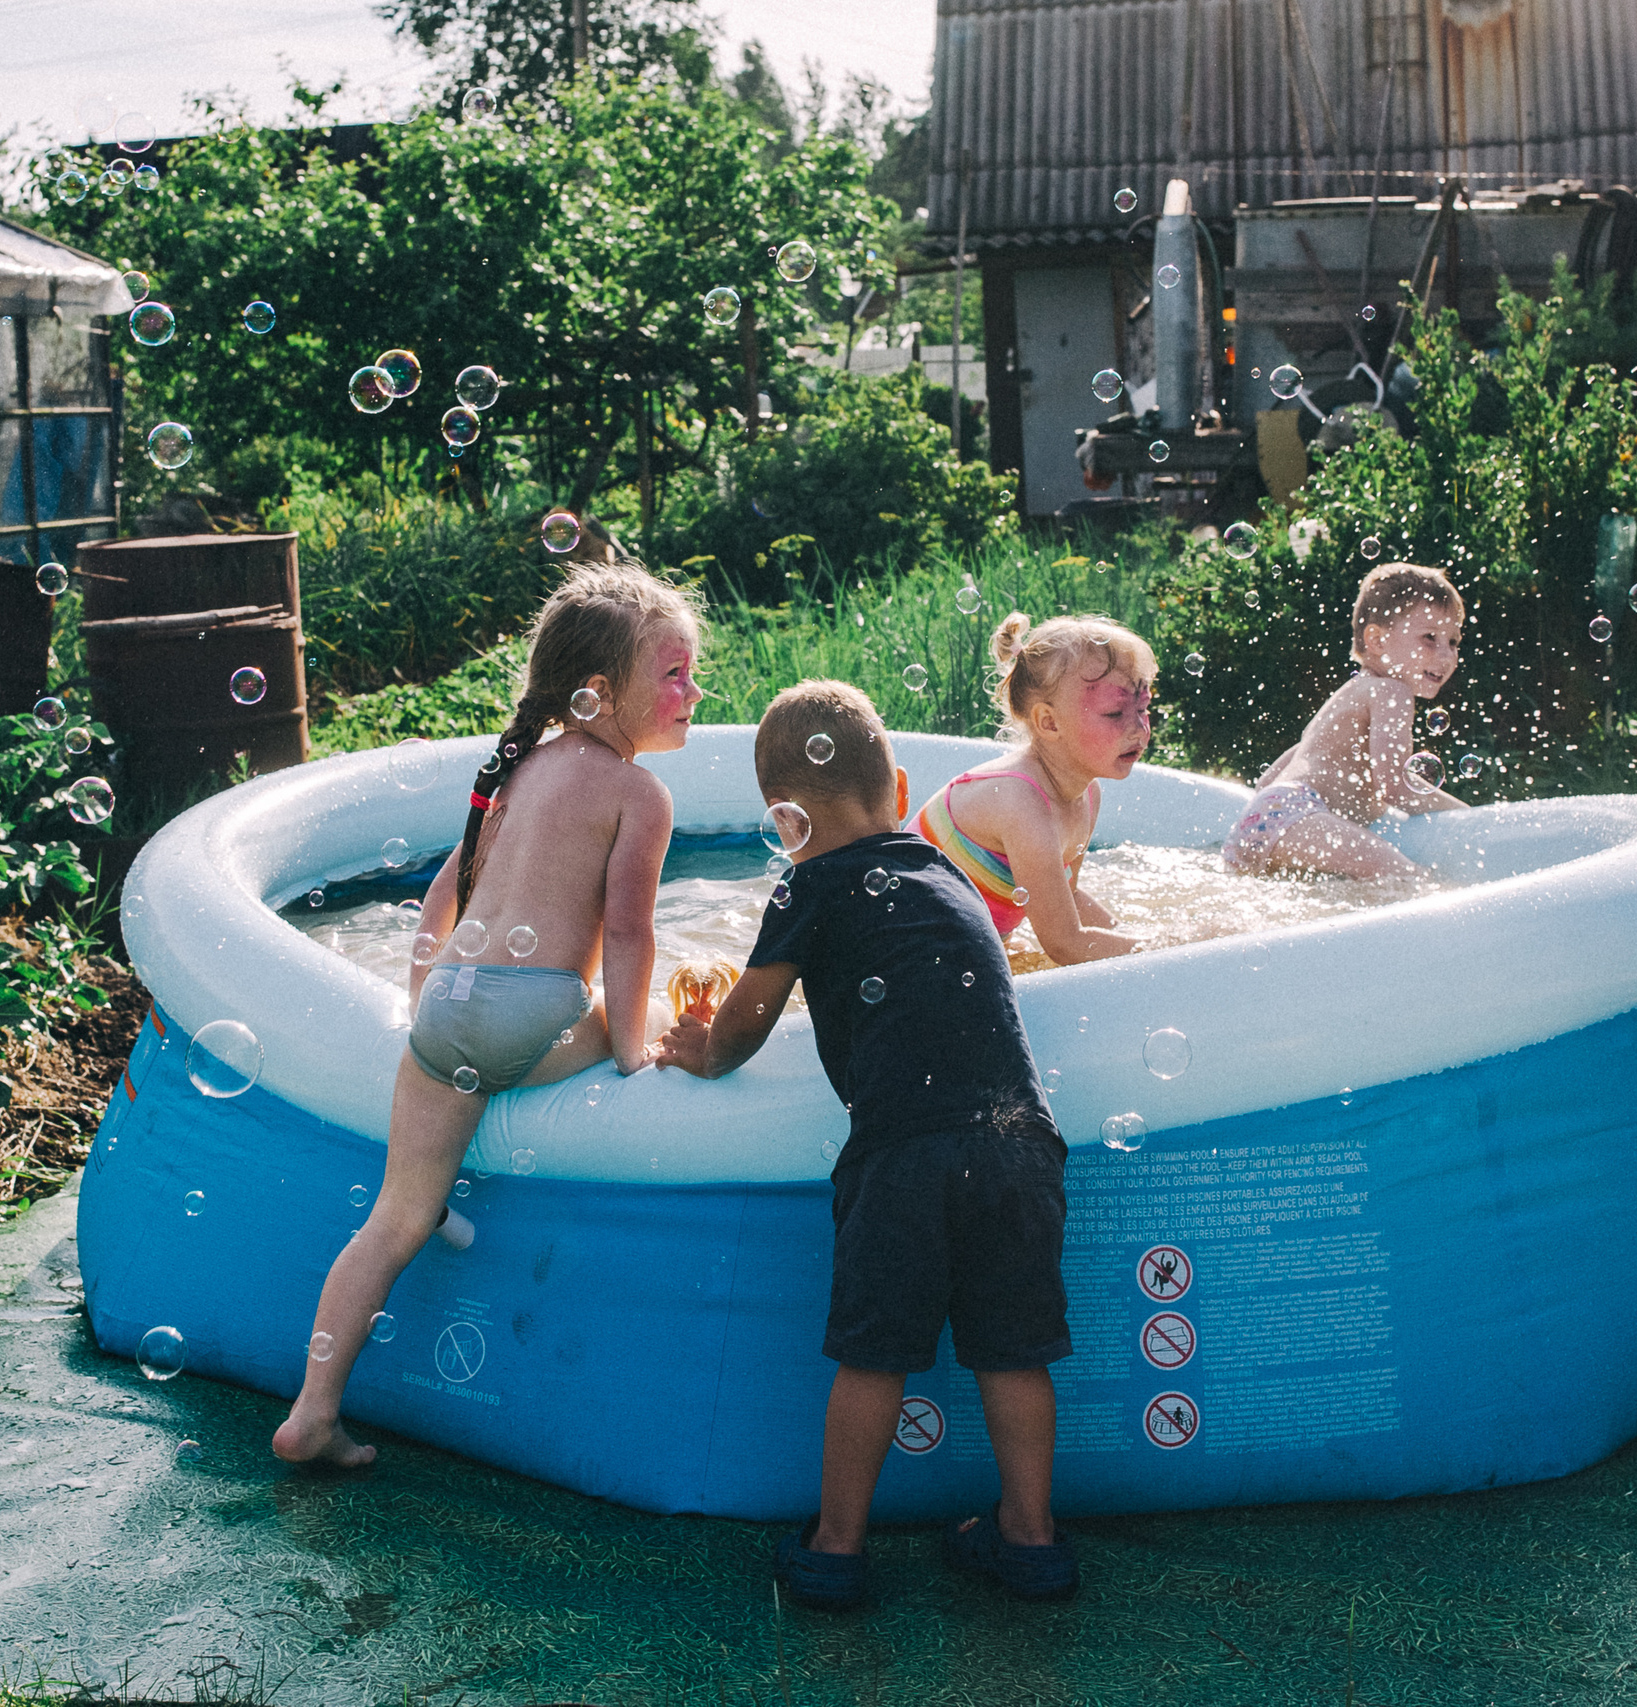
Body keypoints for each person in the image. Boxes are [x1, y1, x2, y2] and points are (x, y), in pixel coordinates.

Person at [657, 680, 1077, 1609]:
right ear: (896, 787)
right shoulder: (945, 873)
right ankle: (1033, 1537)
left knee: (874, 1358)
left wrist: (693, 1042)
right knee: (1015, 1352)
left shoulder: (807, 885)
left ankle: (837, 1546)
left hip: (905, 1157)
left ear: (784, 822)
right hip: (1019, 1146)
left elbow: (737, 1036)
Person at [273, 562, 702, 1469]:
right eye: (671, 673)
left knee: (394, 1216)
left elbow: (444, 895)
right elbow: (629, 935)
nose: (692, 690)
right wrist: (630, 1051)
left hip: (448, 1016)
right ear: (598, 692)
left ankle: (312, 1410)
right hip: (536, 1013)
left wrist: (426, 985)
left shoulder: (524, 770)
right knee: (650, 1015)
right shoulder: (640, 793)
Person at [914, 613, 1155, 964]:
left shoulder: (1087, 793)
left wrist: (1135, 937)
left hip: (953, 951)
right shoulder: (1018, 801)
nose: (1139, 729)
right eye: (1115, 713)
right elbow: (1065, 943)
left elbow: (1066, 897)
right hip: (906, 950)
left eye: (1144, 708)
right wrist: (1159, 948)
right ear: (1049, 722)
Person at [1222, 561, 1467, 882]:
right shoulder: (1391, 691)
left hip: (1260, 820)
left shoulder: (1346, 698)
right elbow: (1394, 786)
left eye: (1454, 641)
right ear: (1377, 641)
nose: (1446, 655)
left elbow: (1268, 780)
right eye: (1429, 638)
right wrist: (1469, 816)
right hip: (1297, 814)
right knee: (1413, 881)